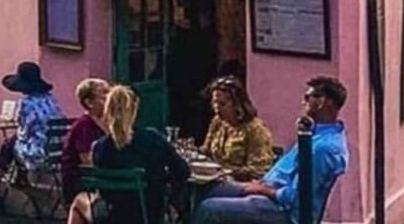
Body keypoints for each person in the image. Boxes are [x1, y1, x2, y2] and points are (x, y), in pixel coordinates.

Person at [191, 76, 350, 224]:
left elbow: (297, 199)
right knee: (206, 190)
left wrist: (262, 189)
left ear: (322, 103)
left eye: (308, 98)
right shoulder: (315, 134)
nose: (303, 102)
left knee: (210, 208)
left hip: (282, 208)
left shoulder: (323, 148)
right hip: (267, 187)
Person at [66, 85, 190, 224]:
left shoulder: (99, 147)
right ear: (134, 110)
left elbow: (102, 191)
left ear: (108, 111)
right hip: (149, 216)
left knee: (79, 202)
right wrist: (164, 181)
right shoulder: (154, 139)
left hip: (112, 217)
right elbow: (183, 171)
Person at [0, 61, 65, 196]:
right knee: (15, 142)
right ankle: (19, 178)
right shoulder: (51, 99)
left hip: (38, 156)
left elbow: (24, 133)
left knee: (8, 144)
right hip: (57, 154)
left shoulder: (25, 103)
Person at [203, 77, 275, 181]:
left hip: (243, 183)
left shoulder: (255, 129)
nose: (216, 108)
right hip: (216, 179)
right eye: (215, 103)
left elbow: (259, 170)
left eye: (222, 104)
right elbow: (206, 151)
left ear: (236, 104)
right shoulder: (218, 122)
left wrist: (227, 172)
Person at [61, 78, 109, 201]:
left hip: (103, 176)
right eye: (103, 98)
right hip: (82, 181)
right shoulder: (84, 126)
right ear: (89, 103)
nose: (109, 100)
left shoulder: (108, 122)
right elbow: (88, 161)